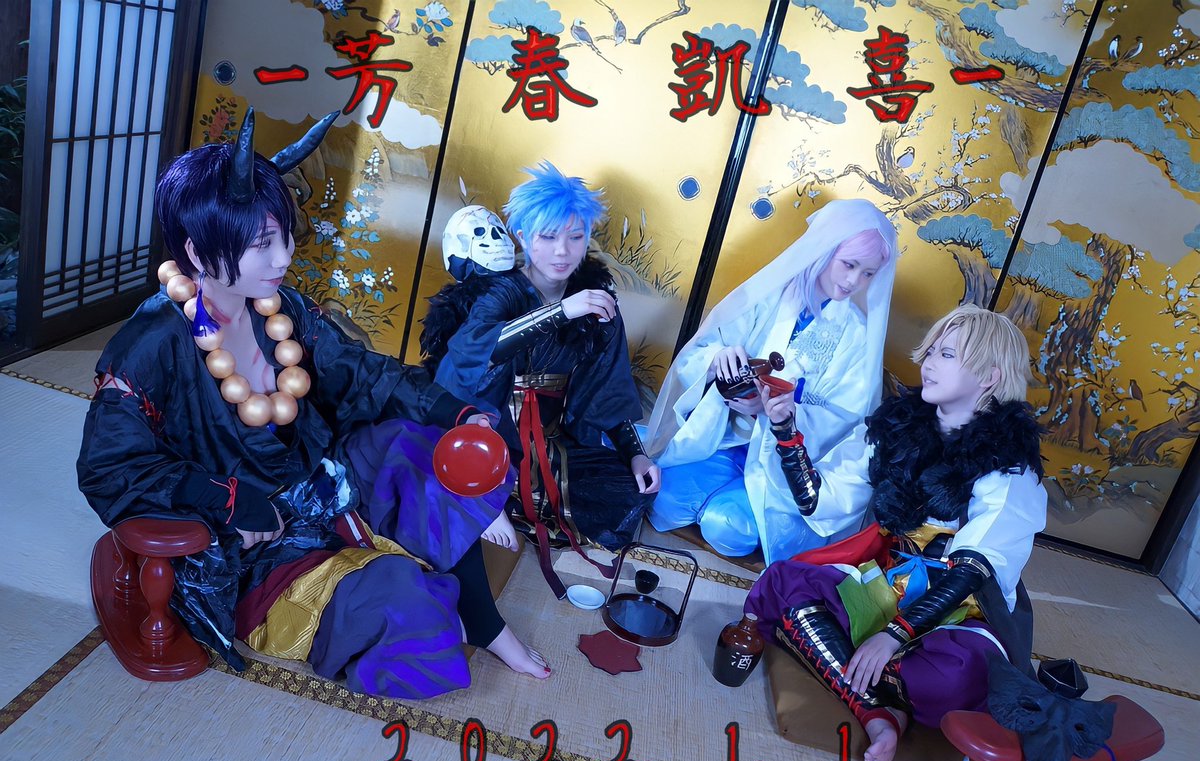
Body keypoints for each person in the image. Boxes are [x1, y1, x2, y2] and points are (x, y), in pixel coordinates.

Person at [76, 109, 548, 703]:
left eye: (284, 237)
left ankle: (485, 623)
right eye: (262, 244)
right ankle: (392, 594)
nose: (283, 257)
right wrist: (226, 498)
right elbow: (108, 466)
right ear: (198, 250)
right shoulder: (151, 343)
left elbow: (359, 371)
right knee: (415, 619)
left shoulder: (281, 308)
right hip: (251, 545)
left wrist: (454, 411)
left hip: (322, 483)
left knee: (424, 450)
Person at [744, 304, 1047, 761]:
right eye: (931, 350)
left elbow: (972, 572)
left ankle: (855, 670)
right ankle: (876, 710)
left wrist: (892, 636)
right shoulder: (898, 430)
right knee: (781, 582)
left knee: (955, 677)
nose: (928, 363)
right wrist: (785, 430)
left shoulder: (1010, 466)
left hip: (961, 613)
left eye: (947, 354)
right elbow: (818, 501)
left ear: (989, 377)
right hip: (886, 588)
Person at [428, 162, 660, 596]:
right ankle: (479, 496)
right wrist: (561, 311)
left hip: (551, 445)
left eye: (575, 237)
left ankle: (500, 500)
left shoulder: (597, 302)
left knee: (631, 492)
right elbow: (474, 353)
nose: (562, 251)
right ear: (522, 237)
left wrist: (636, 454)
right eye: (548, 237)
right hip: (488, 432)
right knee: (442, 467)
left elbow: (608, 389)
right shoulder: (500, 291)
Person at [646, 199, 898, 564]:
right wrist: (717, 361)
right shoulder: (766, 295)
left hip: (781, 468)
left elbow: (849, 419)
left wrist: (779, 412)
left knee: (725, 526)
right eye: (849, 264)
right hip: (724, 438)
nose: (853, 281)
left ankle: (732, 508)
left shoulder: (858, 337)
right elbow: (701, 351)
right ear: (824, 248)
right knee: (662, 498)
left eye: (868, 273)